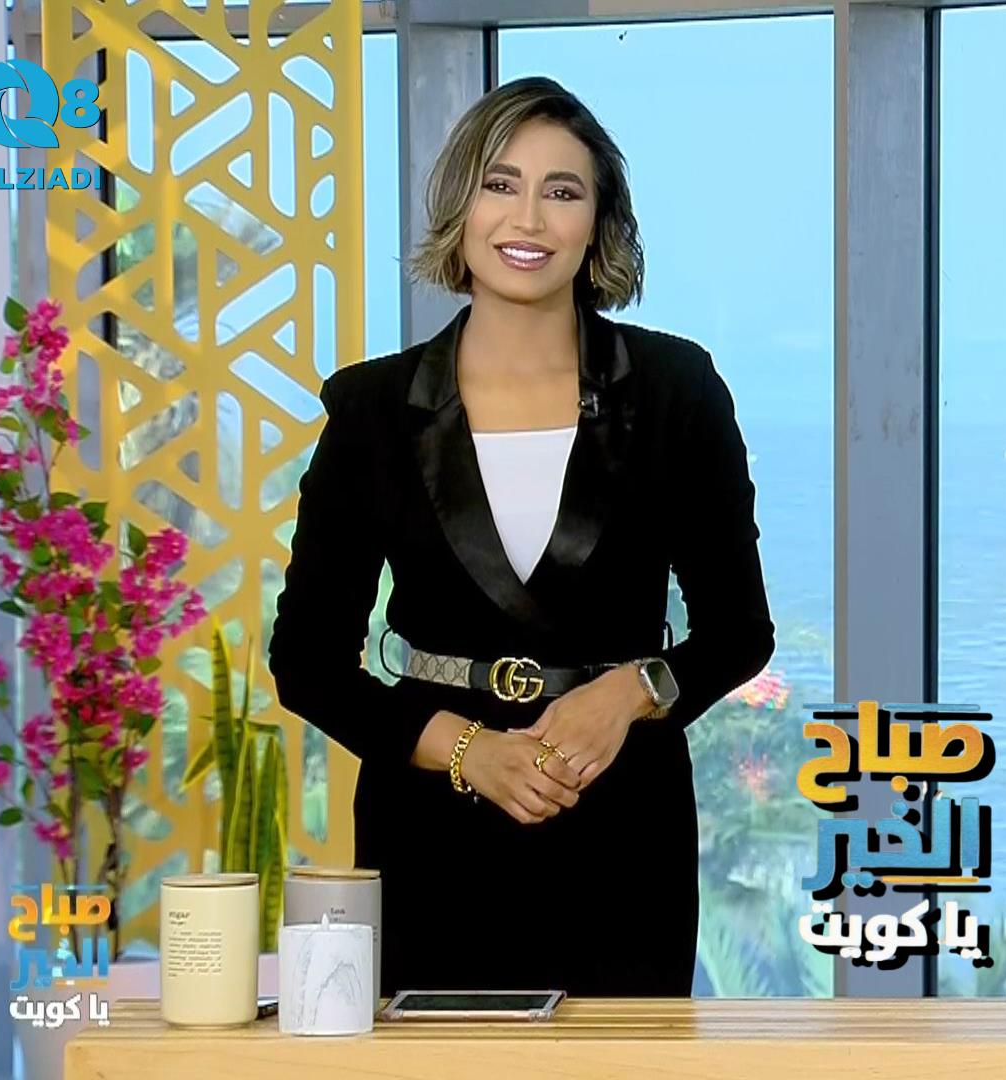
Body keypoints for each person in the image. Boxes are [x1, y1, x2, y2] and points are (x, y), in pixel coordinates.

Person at [269, 76, 774, 998]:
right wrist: (471, 751)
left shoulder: (677, 390)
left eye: (562, 191)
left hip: (622, 817)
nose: (529, 218)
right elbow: (306, 660)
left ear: (598, 224)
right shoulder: (374, 409)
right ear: (460, 206)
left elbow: (740, 632)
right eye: (500, 184)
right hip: (431, 826)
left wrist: (629, 694)